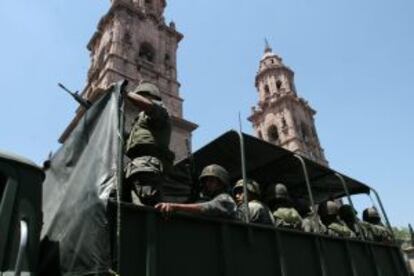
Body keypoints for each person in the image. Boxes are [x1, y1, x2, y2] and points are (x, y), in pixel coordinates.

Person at [124, 82, 174, 206]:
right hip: (134, 166)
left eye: (141, 96)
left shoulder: (160, 110)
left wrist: (125, 93)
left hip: (147, 165)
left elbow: (149, 106)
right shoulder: (139, 120)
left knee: (147, 202)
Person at [155, 164, 237, 219]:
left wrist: (175, 207)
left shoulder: (226, 199)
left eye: (211, 181)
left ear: (221, 184)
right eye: (206, 181)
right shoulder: (205, 198)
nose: (207, 184)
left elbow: (209, 207)